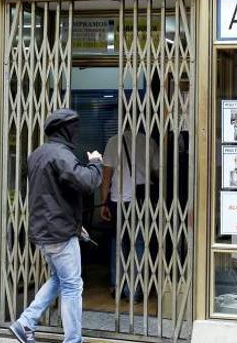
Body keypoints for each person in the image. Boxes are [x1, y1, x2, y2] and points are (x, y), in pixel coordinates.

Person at [9, 109, 103, 343]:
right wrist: (96, 163)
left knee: (59, 279)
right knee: (73, 286)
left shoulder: (38, 154)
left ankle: (25, 322)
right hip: (59, 233)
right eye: (74, 128)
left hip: (45, 231)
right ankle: (73, 340)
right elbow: (87, 183)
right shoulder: (61, 155)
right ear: (65, 130)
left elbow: (54, 194)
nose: (76, 132)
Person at [99, 130, 159, 299]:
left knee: (118, 244)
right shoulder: (149, 142)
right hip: (141, 201)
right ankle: (135, 291)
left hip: (119, 200)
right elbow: (157, 172)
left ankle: (117, 287)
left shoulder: (113, 141)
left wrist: (103, 202)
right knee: (139, 244)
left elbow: (106, 177)